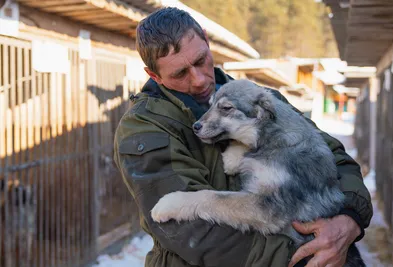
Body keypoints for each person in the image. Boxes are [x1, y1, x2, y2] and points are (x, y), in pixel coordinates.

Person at [113, 7, 372, 267]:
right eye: (180, 73)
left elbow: (335, 159)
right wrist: (306, 255)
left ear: (206, 39)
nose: (200, 80)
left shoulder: (254, 99)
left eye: (201, 60)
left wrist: (348, 219)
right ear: (154, 75)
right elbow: (192, 231)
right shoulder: (144, 129)